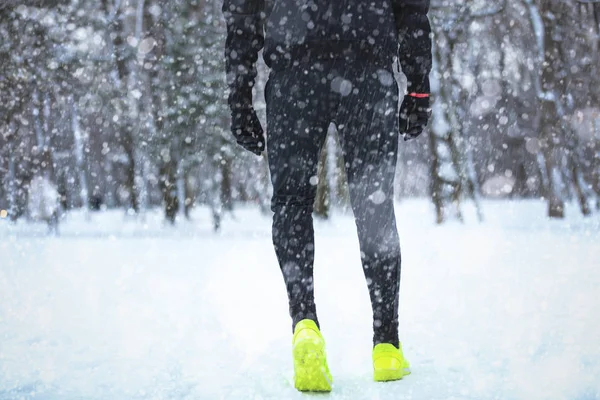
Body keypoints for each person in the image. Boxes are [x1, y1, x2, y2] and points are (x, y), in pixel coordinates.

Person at [223, 0, 432, 392]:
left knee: (290, 202)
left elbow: (242, 13)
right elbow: (412, 10)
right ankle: (386, 344)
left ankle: (304, 323)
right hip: (368, 70)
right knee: (375, 206)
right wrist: (418, 85)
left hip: (294, 73)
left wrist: (239, 95)